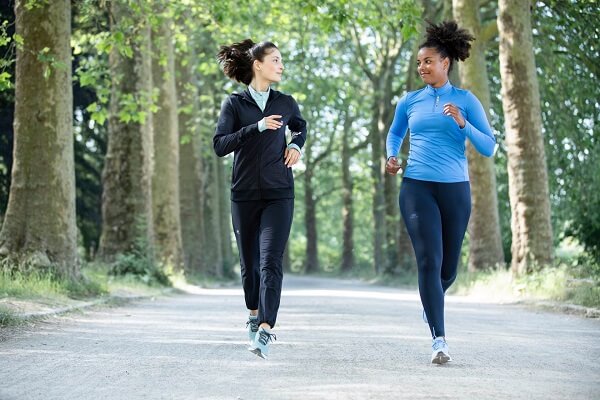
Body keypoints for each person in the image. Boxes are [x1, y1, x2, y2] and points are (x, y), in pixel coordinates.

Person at [385, 21, 496, 364]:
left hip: (455, 190)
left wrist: (464, 123)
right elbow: (394, 134)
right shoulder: (410, 101)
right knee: (429, 261)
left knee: (448, 270)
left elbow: (489, 147)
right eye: (419, 62)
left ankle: (431, 302)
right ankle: (439, 340)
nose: (422, 67)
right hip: (417, 186)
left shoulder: (465, 100)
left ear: (446, 63)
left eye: (428, 61)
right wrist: (391, 157)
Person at [214, 39, 307, 360]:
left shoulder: (286, 102)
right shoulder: (234, 104)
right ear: (258, 65)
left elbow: (300, 128)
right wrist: (255, 127)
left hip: (279, 193)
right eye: (276, 61)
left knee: (270, 262)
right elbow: (220, 145)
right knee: (250, 267)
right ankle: (253, 315)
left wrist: (296, 145)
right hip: (244, 195)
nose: (281, 66)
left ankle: (266, 328)